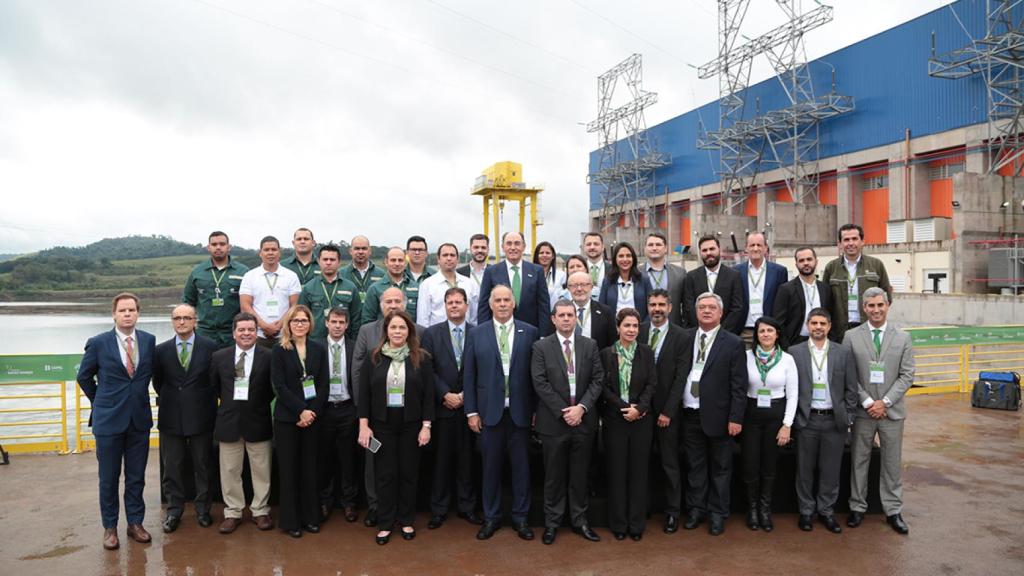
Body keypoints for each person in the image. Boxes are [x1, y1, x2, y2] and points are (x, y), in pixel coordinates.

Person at [76, 293, 156, 550]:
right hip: (108, 421)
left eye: (132, 310)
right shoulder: (98, 343)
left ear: (138, 313)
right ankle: (110, 527)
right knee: (108, 478)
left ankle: (135, 523)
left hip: (138, 420)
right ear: (114, 314)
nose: (127, 314)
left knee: (136, 477)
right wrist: (101, 402)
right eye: (122, 310)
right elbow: (84, 377)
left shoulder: (148, 340)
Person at [464, 285, 539, 541]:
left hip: (520, 414)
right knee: (490, 469)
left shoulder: (530, 332)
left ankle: (520, 518)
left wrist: (536, 410)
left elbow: (535, 378)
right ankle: (491, 517)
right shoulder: (477, 333)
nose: (503, 304)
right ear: (491, 303)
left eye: (507, 299)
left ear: (514, 303)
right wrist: (471, 411)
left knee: (521, 469)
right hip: (488, 415)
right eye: (498, 300)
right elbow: (470, 376)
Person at [357, 311, 435, 544]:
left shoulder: (421, 358)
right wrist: (364, 425)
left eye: (402, 328)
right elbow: (365, 395)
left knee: (409, 475)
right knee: (385, 475)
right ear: (386, 331)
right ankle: (385, 523)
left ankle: (406, 520)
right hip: (382, 426)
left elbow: (429, 396)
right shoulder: (375, 358)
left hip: (412, 426)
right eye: (393, 328)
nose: (398, 332)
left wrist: (426, 426)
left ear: (409, 331)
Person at [532, 299, 605, 545]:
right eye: (561, 315)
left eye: (570, 315)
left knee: (580, 475)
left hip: (583, 422)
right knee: (553, 476)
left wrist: (581, 408)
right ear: (553, 319)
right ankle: (552, 523)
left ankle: (580, 521)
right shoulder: (541, 347)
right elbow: (539, 382)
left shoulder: (589, 345)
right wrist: (565, 411)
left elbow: (597, 379)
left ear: (576, 318)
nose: (565, 319)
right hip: (554, 422)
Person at [844, 287, 915, 535]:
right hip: (863, 412)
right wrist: (866, 402)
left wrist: (884, 402)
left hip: (891, 412)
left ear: (888, 306)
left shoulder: (902, 338)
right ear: (864, 308)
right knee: (859, 460)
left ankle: (893, 510)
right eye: (871, 306)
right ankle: (857, 507)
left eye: (880, 305)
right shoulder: (851, 337)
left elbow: (907, 375)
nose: (876, 310)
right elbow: (848, 374)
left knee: (892, 463)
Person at [680, 292, 747, 536]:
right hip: (689, 414)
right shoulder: (685, 337)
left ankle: (717, 513)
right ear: (695, 312)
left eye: (711, 308)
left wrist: (736, 418)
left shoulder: (733, 343)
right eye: (702, 307)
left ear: (721, 313)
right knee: (695, 467)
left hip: (720, 417)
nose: (706, 311)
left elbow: (739, 385)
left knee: (720, 469)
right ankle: (696, 510)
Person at [790, 308, 858, 533]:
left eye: (822, 323)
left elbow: (850, 389)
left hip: (833, 421)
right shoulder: (794, 352)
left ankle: (827, 512)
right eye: (814, 323)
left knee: (830, 470)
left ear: (829, 326)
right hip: (806, 420)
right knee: (805, 470)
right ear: (807, 325)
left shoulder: (843, 353)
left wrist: (848, 417)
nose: (818, 327)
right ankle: (806, 512)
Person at [421, 287, 482, 529]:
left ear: (467, 306)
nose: (454, 306)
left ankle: (467, 507)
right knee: (441, 461)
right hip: (443, 407)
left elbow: (481, 369)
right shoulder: (431, 334)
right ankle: (438, 509)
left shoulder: (478, 333)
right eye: (450, 302)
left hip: (469, 408)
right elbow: (428, 369)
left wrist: (467, 395)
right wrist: (444, 393)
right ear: (444, 306)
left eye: (458, 302)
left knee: (467, 461)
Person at [152, 304, 217, 533]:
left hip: (201, 415)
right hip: (171, 416)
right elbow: (158, 383)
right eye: (177, 318)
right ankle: (174, 510)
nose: (182, 322)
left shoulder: (210, 347)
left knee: (203, 465)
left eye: (187, 318)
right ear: (172, 321)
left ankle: (202, 509)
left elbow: (213, 381)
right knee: (173, 466)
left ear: (195, 321)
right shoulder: (160, 351)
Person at [210, 313, 275, 534]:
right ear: (234, 333)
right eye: (241, 330)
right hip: (229, 422)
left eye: (250, 329)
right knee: (229, 471)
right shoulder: (219, 357)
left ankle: (260, 511)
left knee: (261, 470)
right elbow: (215, 388)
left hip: (258, 420)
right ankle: (233, 512)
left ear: (256, 332)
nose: (246, 333)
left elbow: (271, 391)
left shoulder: (269, 356)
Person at [271, 305, 330, 538]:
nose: (300, 324)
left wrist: (311, 412)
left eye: (304, 320)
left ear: (310, 324)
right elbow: (279, 387)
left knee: (310, 469)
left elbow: (324, 384)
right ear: (289, 324)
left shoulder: (318, 349)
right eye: (295, 321)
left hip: (313, 418)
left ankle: (311, 518)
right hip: (288, 420)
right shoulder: (279, 350)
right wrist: (301, 411)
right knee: (289, 470)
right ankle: (291, 521)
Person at [600, 308, 657, 541]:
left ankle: (636, 524)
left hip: (641, 420)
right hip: (616, 420)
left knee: (638, 473)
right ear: (618, 328)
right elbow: (603, 387)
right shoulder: (606, 353)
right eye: (627, 326)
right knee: (617, 472)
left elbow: (652, 384)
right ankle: (619, 524)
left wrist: (639, 409)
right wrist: (624, 407)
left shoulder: (646, 352)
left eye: (635, 326)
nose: (631, 330)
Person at [638, 288, 689, 533]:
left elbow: (681, 378)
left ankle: (672, 512)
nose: (656, 309)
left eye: (661, 305)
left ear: (670, 307)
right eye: (652, 304)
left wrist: (668, 411)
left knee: (670, 464)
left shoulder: (682, 336)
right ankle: (644, 506)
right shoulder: (639, 330)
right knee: (643, 462)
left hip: (668, 412)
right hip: (642, 411)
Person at [741, 315, 798, 532]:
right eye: (762, 331)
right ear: (756, 334)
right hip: (751, 416)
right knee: (750, 465)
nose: (765, 334)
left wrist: (787, 424)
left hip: (775, 416)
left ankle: (765, 509)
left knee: (769, 466)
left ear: (777, 334)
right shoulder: (746, 356)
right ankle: (752, 509)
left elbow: (793, 394)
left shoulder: (787, 360)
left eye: (770, 331)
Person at [317, 307, 359, 524]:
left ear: (347, 325)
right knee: (324, 458)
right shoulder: (316, 347)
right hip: (324, 409)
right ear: (326, 323)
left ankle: (349, 502)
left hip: (347, 408)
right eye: (333, 321)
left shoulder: (353, 347)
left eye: (341, 322)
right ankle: (325, 501)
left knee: (347, 458)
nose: (337, 326)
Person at [822, 223, 894, 340]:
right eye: (846, 240)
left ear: (862, 241)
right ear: (840, 244)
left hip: (868, 327)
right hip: (839, 330)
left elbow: (887, 298)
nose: (851, 243)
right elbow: (824, 300)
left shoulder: (876, 265)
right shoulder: (831, 267)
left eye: (855, 239)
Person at [183, 231, 249, 348]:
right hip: (204, 333)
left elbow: (250, 304)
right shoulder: (197, 272)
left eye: (222, 244)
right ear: (208, 247)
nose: (218, 247)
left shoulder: (243, 272)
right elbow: (187, 303)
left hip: (233, 334)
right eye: (214, 244)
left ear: (229, 247)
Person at [477, 231, 551, 334]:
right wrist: (483, 333)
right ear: (503, 247)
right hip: (499, 332)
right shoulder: (491, 272)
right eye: (509, 243)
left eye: (517, 243)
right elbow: (484, 306)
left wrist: (543, 334)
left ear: (524, 247)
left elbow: (544, 305)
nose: (513, 247)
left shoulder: (537, 271)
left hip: (531, 333)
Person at [239, 236, 302, 347]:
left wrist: (279, 326)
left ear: (279, 252)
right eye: (266, 250)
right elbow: (245, 306)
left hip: (284, 335)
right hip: (258, 334)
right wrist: (264, 326)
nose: (270, 253)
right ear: (260, 253)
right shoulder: (249, 276)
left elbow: (294, 306)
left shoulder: (291, 276)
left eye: (274, 250)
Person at [681, 235, 744, 333]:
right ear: (700, 253)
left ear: (719, 250)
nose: (708, 253)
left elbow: (737, 308)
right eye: (704, 250)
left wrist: (720, 332)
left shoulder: (734, 276)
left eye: (712, 249)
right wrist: (702, 330)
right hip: (698, 333)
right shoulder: (691, 277)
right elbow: (689, 308)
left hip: (726, 334)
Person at [298, 244, 362, 340]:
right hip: (315, 342)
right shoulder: (308, 288)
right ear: (319, 261)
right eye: (325, 259)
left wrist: (354, 342)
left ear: (339, 262)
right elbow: (301, 317)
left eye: (332, 260)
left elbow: (356, 318)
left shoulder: (350, 287)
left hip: (343, 342)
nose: (328, 263)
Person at [735, 232, 788, 346]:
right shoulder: (736, 272)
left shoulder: (779, 272)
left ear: (765, 248)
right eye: (752, 245)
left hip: (769, 332)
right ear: (746, 248)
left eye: (759, 245)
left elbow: (782, 304)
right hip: (744, 332)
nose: (755, 248)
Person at [773, 246, 832, 346]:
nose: (806, 263)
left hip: (821, 341)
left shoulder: (825, 289)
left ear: (816, 261)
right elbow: (779, 322)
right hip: (795, 342)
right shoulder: (786, 289)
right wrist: (785, 346)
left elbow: (831, 316)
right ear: (796, 265)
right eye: (801, 260)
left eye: (809, 259)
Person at [418, 242, 478, 327]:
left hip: (466, 336)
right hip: (437, 337)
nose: (449, 258)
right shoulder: (427, 285)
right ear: (438, 259)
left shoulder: (469, 284)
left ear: (458, 259)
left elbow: (474, 317)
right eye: (445, 255)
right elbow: (422, 319)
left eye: (452, 255)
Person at [361, 247, 420, 326]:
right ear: (386, 262)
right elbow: (368, 320)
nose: (397, 264)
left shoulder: (417, 288)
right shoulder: (375, 289)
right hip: (382, 335)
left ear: (406, 262)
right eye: (393, 260)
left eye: (400, 260)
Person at [643, 232, 686, 326]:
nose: (654, 248)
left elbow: (686, 305)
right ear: (645, 249)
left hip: (673, 329)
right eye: (650, 245)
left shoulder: (680, 273)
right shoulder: (636, 274)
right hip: (644, 329)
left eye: (658, 245)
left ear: (666, 248)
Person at [599, 242, 649, 322]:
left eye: (628, 256)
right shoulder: (607, 281)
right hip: (614, 329)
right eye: (621, 256)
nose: (625, 259)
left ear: (633, 258)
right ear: (615, 259)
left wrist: (643, 327)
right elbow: (601, 307)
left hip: (639, 328)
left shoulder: (644, 280)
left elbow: (651, 307)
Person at [567, 270, 616, 350]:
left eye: (583, 285)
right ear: (568, 288)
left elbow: (612, 344)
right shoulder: (560, 312)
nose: (579, 289)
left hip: (596, 360)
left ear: (591, 287)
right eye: (574, 285)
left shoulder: (606, 312)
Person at [340, 235, 386, 304]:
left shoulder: (381, 275)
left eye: (364, 248)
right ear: (350, 251)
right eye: (357, 248)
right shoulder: (341, 274)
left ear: (370, 251)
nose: (360, 252)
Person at [533, 241, 566, 311]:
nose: (544, 255)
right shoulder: (530, 274)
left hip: (555, 314)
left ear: (553, 256)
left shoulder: (561, 275)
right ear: (536, 256)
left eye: (548, 253)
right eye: (541, 253)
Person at [582, 232, 608, 299]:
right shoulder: (579, 269)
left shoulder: (613, 269)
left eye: (596, 244)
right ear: (584, 247)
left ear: (602, 247)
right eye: (588, 244)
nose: (592, 247)